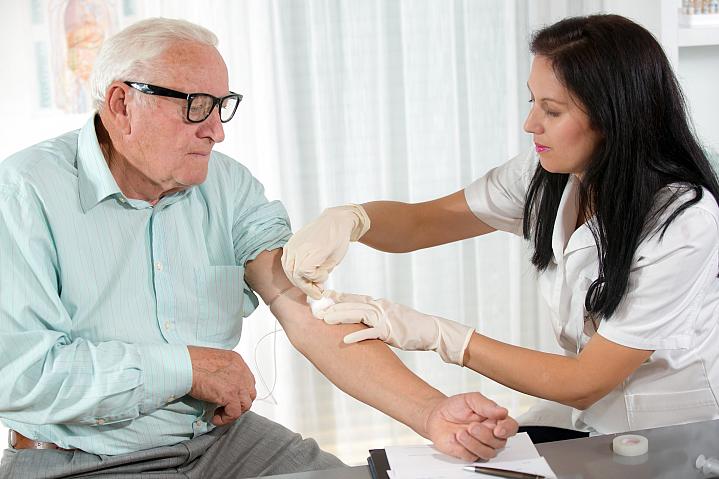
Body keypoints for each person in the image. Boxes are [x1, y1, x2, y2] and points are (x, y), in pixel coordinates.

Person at [0, 17, 519, 479]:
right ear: (121, 104)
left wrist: (431, 413)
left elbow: (308, 314)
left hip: (221, 444)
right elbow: (17, 374)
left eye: (222, 106)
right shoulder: (23, 194)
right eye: (195, 107)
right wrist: (186, 368)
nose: (217, 131)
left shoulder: (226, 185)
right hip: (75, 458)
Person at [282, 14, 719, 443]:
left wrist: (441, 336)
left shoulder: (682, 221)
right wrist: (353, 219)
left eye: (552, 110)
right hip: (591, 415)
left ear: (613, 117)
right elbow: (421, 223)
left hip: (671, 431)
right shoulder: (548, 174)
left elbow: (587, 380)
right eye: (533, 102)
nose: (531, 124)